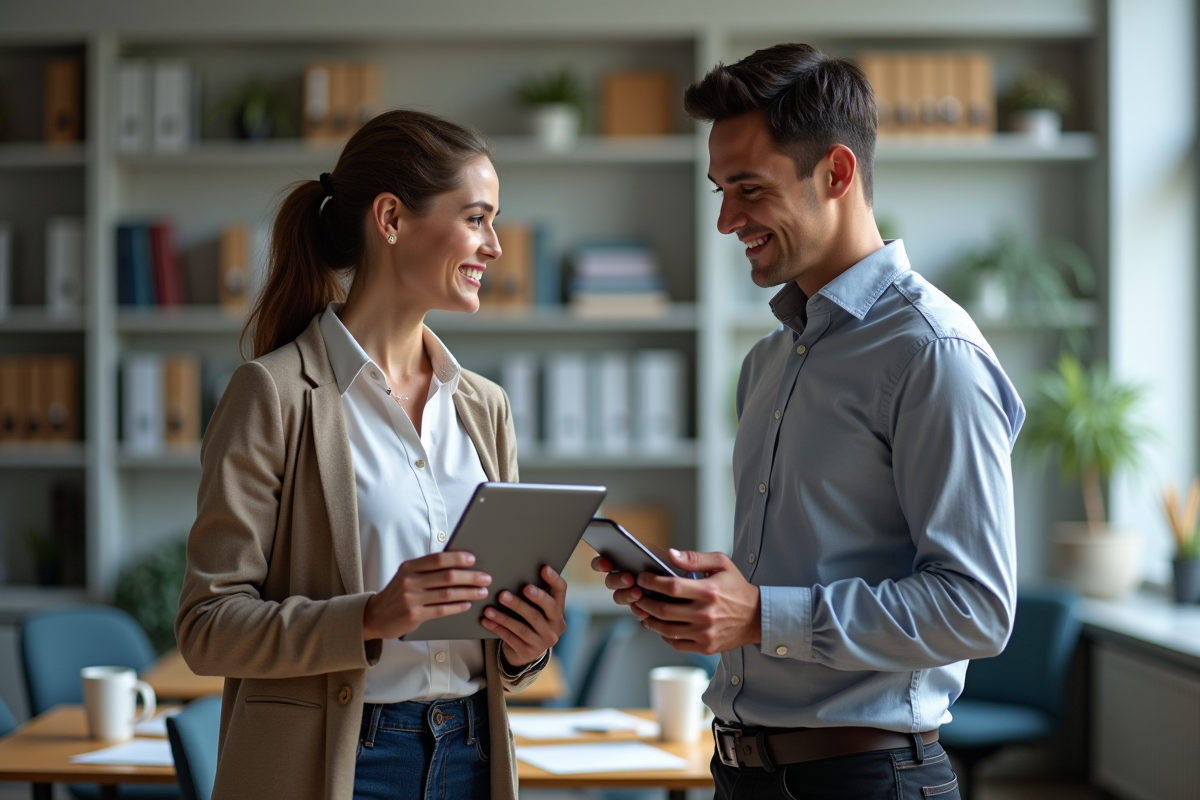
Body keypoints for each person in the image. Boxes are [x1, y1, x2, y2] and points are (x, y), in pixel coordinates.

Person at [594, 44, 1024, 799]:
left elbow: (977, 608)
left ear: (837, 173)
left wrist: (761, 615)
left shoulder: (933, 353)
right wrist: (708, 606)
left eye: (749, 189)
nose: (726, 220)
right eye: (720, 190)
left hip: (868, 779)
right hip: (742, 772)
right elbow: (796, 580)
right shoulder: (767, 361)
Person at [176, 109, 565, 800]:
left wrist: (525, 644)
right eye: (476, 219)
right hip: (338, 764)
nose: (496, 246)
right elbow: (208, 627)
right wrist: (368, 617)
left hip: (473, 757)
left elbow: (495, 649)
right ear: (391, 219)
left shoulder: (485, 406)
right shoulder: (273, 395)